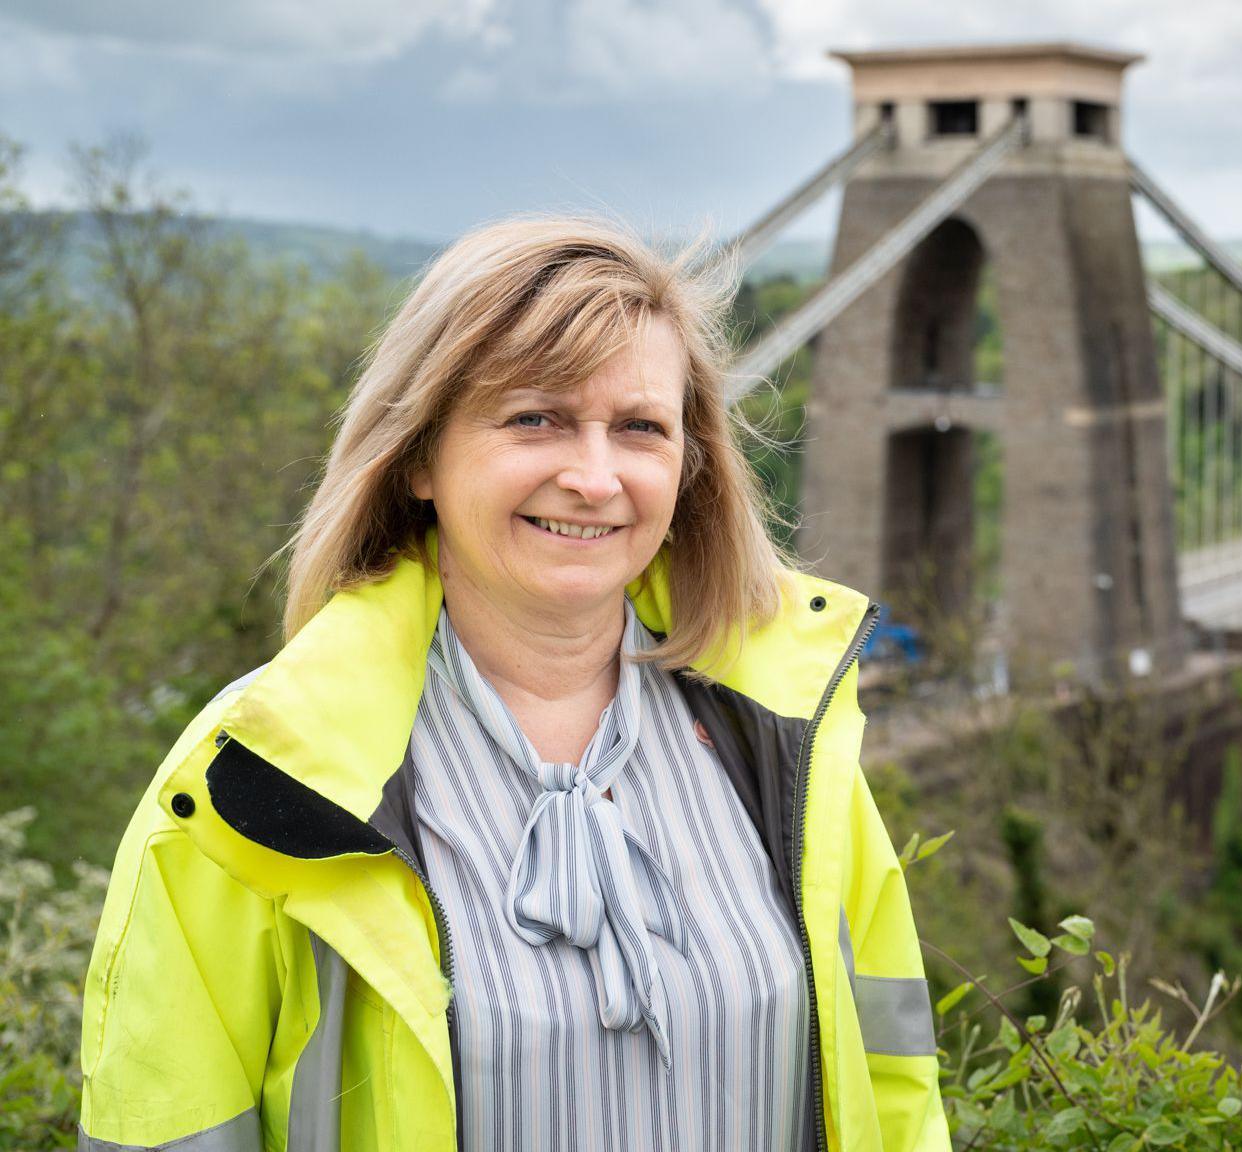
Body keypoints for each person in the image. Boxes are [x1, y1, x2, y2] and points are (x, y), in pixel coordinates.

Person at [75, 216, 949, 1152]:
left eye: (640, 429)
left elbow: (891, 1086)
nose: (595, 476)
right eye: (537, 418)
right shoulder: (249, 785)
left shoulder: (786, 743)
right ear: (417, 456)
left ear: (688, 470)